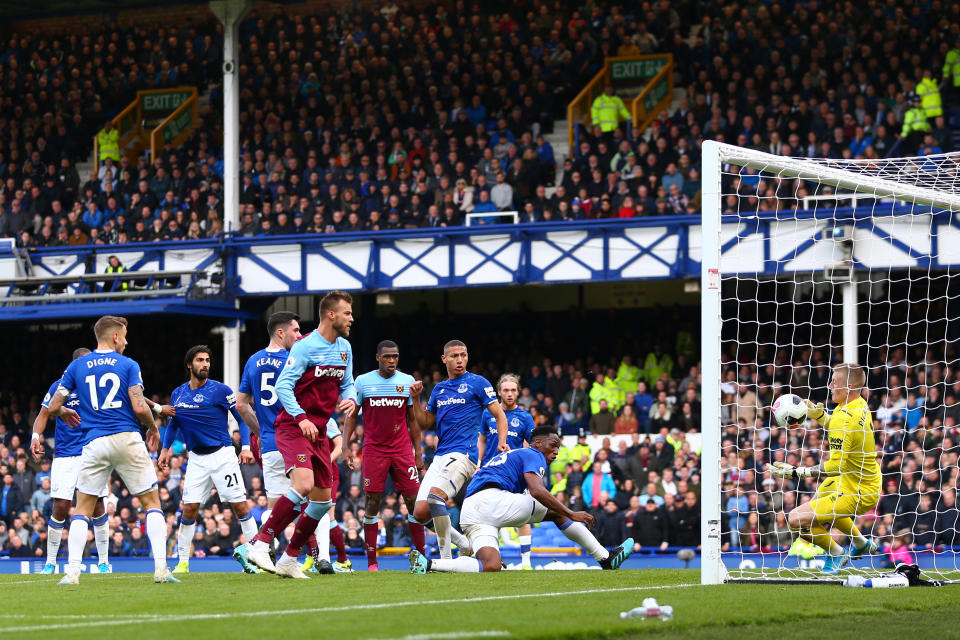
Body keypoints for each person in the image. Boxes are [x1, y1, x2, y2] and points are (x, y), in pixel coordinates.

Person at [45, 315, 177, 584]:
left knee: (82, 508)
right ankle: (161, 569)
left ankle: (72, 572)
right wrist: (153, 428)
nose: (126, 342)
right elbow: (140, 407)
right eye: (125, 336)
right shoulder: (128, 364)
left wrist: (64, 411)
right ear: (115, 336)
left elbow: (52, 407)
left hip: (93, 442)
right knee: (152, 503)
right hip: (126, 436)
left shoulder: (76, 367)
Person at [239, 291, 358, 579]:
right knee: (303, 485)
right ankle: (259, 543)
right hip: (293, 427)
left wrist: (351, 399)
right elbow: (283, 387)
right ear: (331, 315)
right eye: (347, 313)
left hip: (317, 431)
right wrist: (301, 417)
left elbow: (348, 384)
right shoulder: (304, 347)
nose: (351, 318)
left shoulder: (344, 348)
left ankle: (289, 558)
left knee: (322, 502)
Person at [408, 427, 633, 573]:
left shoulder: (510, 456)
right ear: (536, 443)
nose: (555, 451)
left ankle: (429, 564)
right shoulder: (533, 455)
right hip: (493, 500)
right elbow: (536, 490)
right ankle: (605, 558)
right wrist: (571, 513)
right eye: (552, 445)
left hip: (472, 509)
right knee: (556, 511)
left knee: (491, 565)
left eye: (558, 448)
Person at [768, 362, 881, 574]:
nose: (829, 385)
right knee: (820, 498)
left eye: (834, 382)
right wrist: (817, 415)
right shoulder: (857, 404)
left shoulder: (844, 418)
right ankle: (859, 542)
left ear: (848, 388)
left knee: (796, 519)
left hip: (857, 491)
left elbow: (836, 466)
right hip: (861, 479)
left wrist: (795, 471)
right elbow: (837, 424)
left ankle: (836, 552)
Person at [158, 345, 257, 574]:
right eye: (200, 360)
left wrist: (246, 447)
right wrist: (165, 449)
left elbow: (241, 419)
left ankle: (257, 557)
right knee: (189, 508)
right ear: (189, 365)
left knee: (240, 506)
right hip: (196, 459)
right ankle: (183, 562)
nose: (205, 364)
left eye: (208, 360)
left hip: (222, 455)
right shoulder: (178, 393)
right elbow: (173, 423)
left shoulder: (220, 390)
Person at [410, 340, 508, 559]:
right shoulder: (439, 389)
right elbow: (425, 423)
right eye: (454, 356)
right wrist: (415, 398)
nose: (460, 360)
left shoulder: (478, 383)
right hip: (441, 456)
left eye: (463, 355)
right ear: (444, 359)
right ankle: (463, 543)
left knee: (436, 499)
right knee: (420, 513)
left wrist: (501, 441)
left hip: (464, 454)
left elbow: (500, 415)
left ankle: (445, 559)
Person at [343, 340, 426, 571]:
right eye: (387, 357)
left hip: (401, 450)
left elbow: (413, 421)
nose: (392, 361)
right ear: (378, 357)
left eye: (395, 357)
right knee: (372, 502)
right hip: (374, 450)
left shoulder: (407, 381)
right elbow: (351, 417)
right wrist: (345, 447)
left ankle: (420, 558)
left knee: (413, 502)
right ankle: (372, 563)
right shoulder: (363, 382)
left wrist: (418, 453)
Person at [31, 348, 114, 574]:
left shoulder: (98, 386)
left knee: (97, 505)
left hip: (92, 451)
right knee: (60, 506)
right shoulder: (60, 387)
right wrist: (35, 437)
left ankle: (104, 561)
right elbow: (43, 415)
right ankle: (50, 562)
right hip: (65, 455)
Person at [232, 312, 303, 570]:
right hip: (294, 439)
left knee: (276, 505)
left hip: (270, 443)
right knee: (312, 498)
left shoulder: (253, 361)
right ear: (280, 333)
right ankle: (311, 557)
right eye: (295, 331)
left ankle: (259, 549)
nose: (299, 335)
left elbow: (241, 404)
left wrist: (261, 430)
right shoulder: (294, 360)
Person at [477, 373, 536, 569]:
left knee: (522, 515)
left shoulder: (525, 418)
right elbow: (482, 439)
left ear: (518, 392)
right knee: (489, 516)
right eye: (506, 390)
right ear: (499, 392)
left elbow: (533, 447)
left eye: (513, 390)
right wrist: (478, 463)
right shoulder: (488, 413)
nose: (509, 394)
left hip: (514, 474)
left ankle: (526, 562)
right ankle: (497, 559)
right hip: (489, 472)